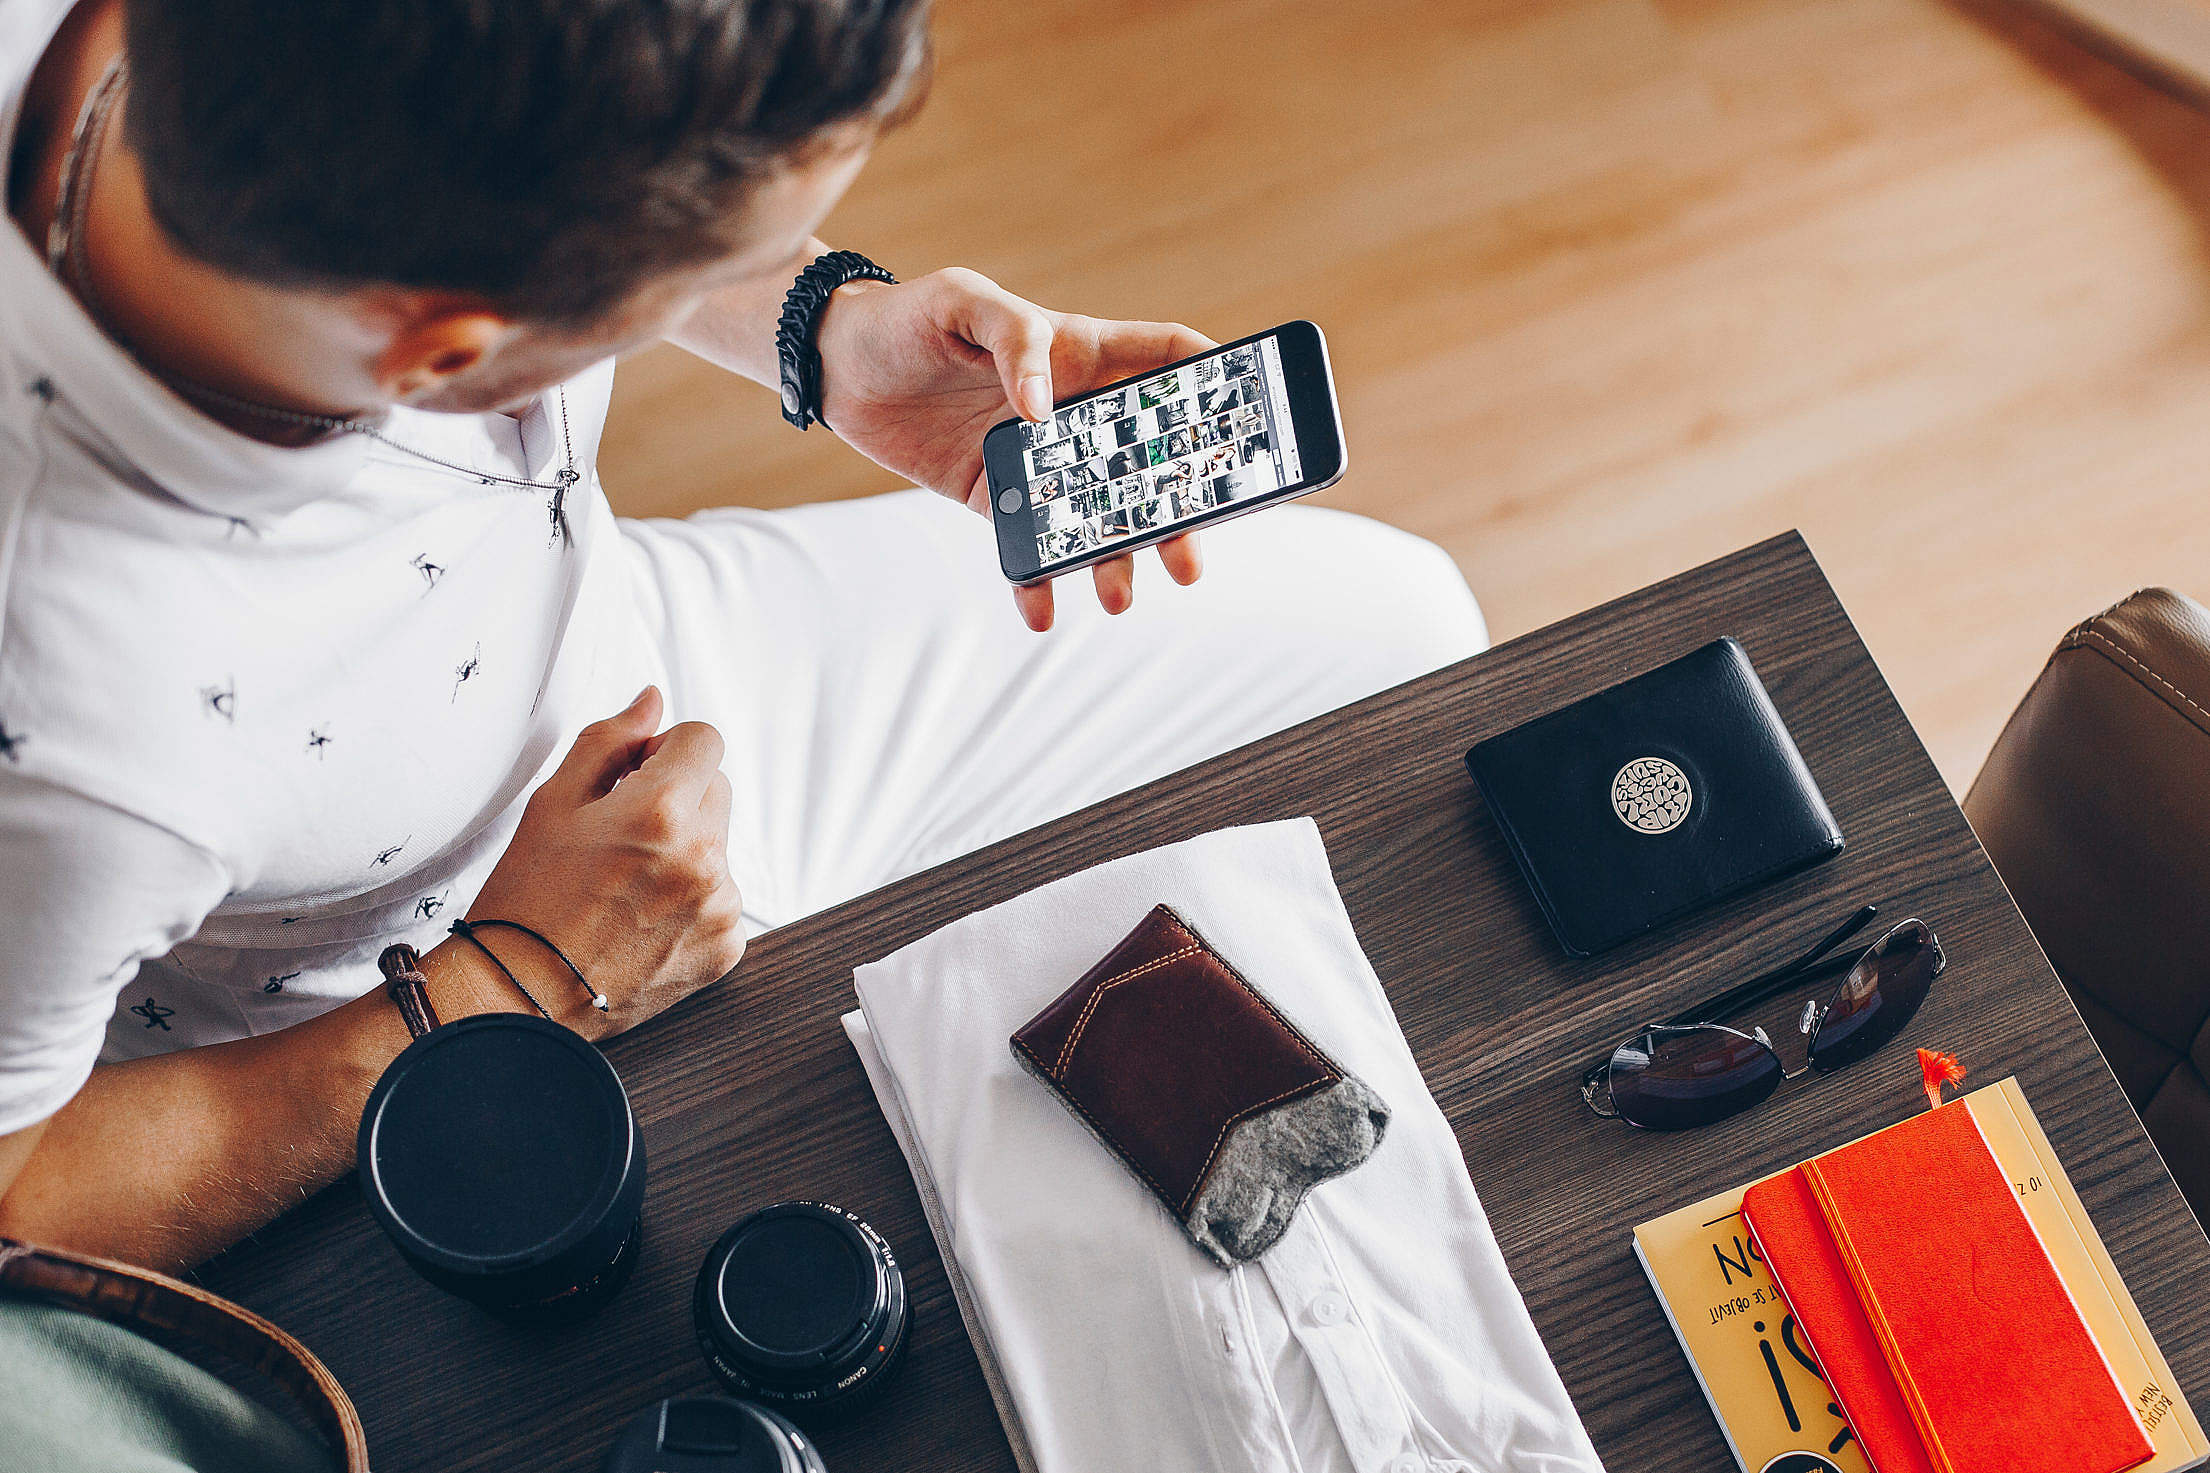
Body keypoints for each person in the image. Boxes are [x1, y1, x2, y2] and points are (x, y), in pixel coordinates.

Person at [0, 0, 1488, 1272]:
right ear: (440, 356)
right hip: (417, 1034)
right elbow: (19, 1191)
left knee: (1404, 632)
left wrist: (824, 331)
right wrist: (507, 978)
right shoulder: (71, 740)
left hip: (652, 663)